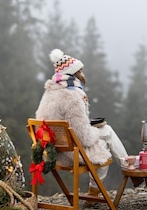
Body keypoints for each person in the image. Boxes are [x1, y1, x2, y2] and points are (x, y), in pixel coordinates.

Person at [35, 48, 130, 198]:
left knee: (106, 131)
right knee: (105, 141)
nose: (83, 75)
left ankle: (126, 164)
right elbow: (84, 137)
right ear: (74, 74)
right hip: (70, 154)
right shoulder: (73, 97)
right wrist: (96, 130)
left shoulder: (49, 93)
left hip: (51, 151)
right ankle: (122, 171)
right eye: (81, 71)